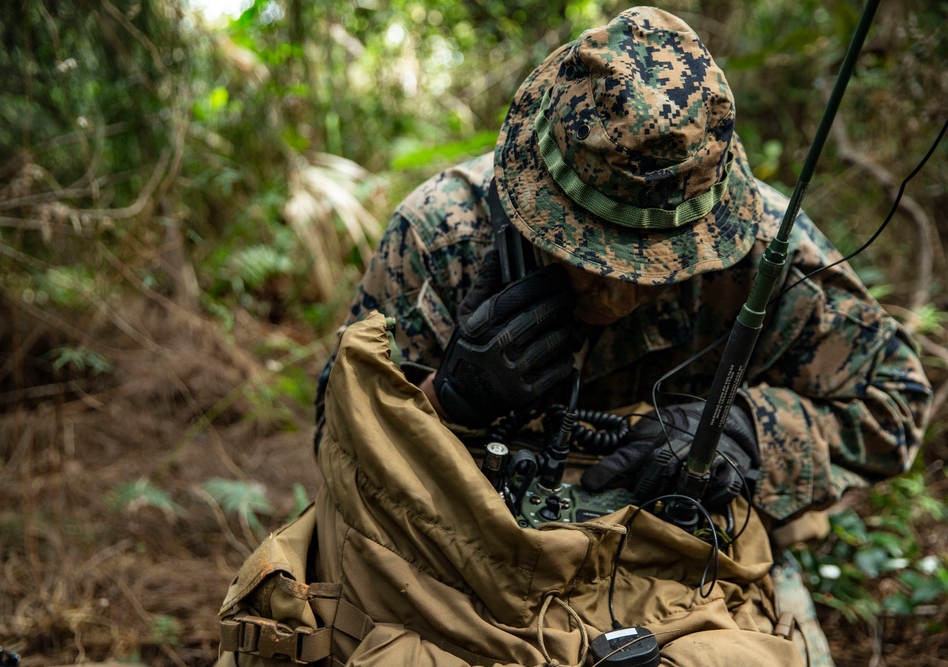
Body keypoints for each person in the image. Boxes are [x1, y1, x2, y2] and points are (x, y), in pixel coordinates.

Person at [312, 6, 932, 663]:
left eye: (660, 261)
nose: (616, 294)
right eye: (590, 254)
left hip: (684, 569)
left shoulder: (763, 259)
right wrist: (444, 399)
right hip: (467, 556)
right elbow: (338, 440)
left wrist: (748, 431)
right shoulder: (446, 237)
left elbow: (895, 400)